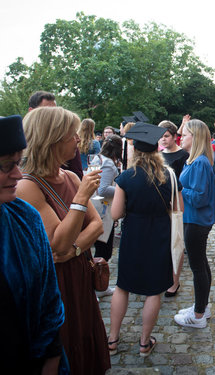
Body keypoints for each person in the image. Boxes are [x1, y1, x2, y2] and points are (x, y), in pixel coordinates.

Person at [17, 107, 110, 374]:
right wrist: (80, 199)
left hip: (78, 274)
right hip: (56, 284)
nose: (79, 140)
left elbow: (97, 225)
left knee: (85, 335)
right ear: (53, 139)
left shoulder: (70, 176)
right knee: (66, 343)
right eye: (72, 135)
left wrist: (75, 249)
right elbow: (58, 242)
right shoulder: (28, 186)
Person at [0, 115, 68, 374]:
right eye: (7, 166)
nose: (18, 174)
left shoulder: (24, 218)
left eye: (19, 163)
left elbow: (49, 299)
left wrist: (51, 358)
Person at [109, 123, 180, 356]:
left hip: (133, 237)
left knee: (123, 287)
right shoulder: (168, 176)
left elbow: (115, 214)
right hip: (159, 236)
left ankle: (112, 340)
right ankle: (144, 343)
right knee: (153, 291)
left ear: (136, 151)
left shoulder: (127, 177)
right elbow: (179, 207)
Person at [173, 119, 215, 329]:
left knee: (197, 267)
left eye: (186, 134)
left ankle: (198, 315)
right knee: (201, 265)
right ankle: (202, 307)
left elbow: (199, 197)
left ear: (196, 137)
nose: (181, 137)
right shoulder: (197, 160)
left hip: (196, 220)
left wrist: (179, 190)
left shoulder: (199, 162)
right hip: (194, 219)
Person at [159, 120, 189, 297]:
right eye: (161, 137)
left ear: (174, 136)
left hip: (176, 200)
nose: (163, 140)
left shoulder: (183, 155)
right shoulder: (159, 155)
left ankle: (175, 281)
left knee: (177, 241)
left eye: (166, 136)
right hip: (161, 202)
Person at [92, 134, 123, 298]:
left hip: (95, 207)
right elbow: (103, 189)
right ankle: (98, 285)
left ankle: (98, 286)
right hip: (102, 210)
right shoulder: (109, 164)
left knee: (100, 247)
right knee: (104, 250)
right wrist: (121, 190)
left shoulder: (98, 158)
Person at [28, 91, 83, 180]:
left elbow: (78, 175)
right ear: (31, 111)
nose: (55, 115)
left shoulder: (69, 176)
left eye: (55, 110)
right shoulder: (21, 142)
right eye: (47, 111)